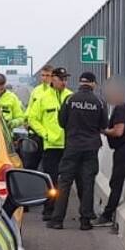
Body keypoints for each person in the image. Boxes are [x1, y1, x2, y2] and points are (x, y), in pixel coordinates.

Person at [47, 71, 107, 231]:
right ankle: (85, 221)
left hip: (72, 146)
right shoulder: (99, 102)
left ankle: (57, 220)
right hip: (91, 148)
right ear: (93, 84)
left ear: (80, 83)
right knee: (87, 183)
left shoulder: (69, 99)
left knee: (64, 182)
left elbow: (61, 122)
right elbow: (103, 125)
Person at [28, 67, 71, 219]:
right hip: (51, 146)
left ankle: (61, 212)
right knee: (51, 180)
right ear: (53, 79)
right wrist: (45, 134)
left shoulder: (70, 96)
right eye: (61, 79)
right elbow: (32, 119)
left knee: (66, 181)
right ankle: (49, 209)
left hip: (68, 146)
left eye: (66, 79)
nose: (64, 82)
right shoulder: (43, 97)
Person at [94, 78, 125, 227]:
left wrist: (103, 131)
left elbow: (118, 132)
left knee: (116, 182)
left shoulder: (120, 109)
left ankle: (107, 215)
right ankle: (108, 212)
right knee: (115, 181)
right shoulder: (124, 107)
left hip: (124, 148)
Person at [21, 65, 54, 170]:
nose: (44, 78)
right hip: (35, 133)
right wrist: (26, 121)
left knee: (49, 166)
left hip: (49, 135)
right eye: (42, 75)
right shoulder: (36, 91)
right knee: (30, 164)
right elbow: (30, 108)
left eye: (47, 75)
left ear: (53, 76)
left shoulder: (56, 92)